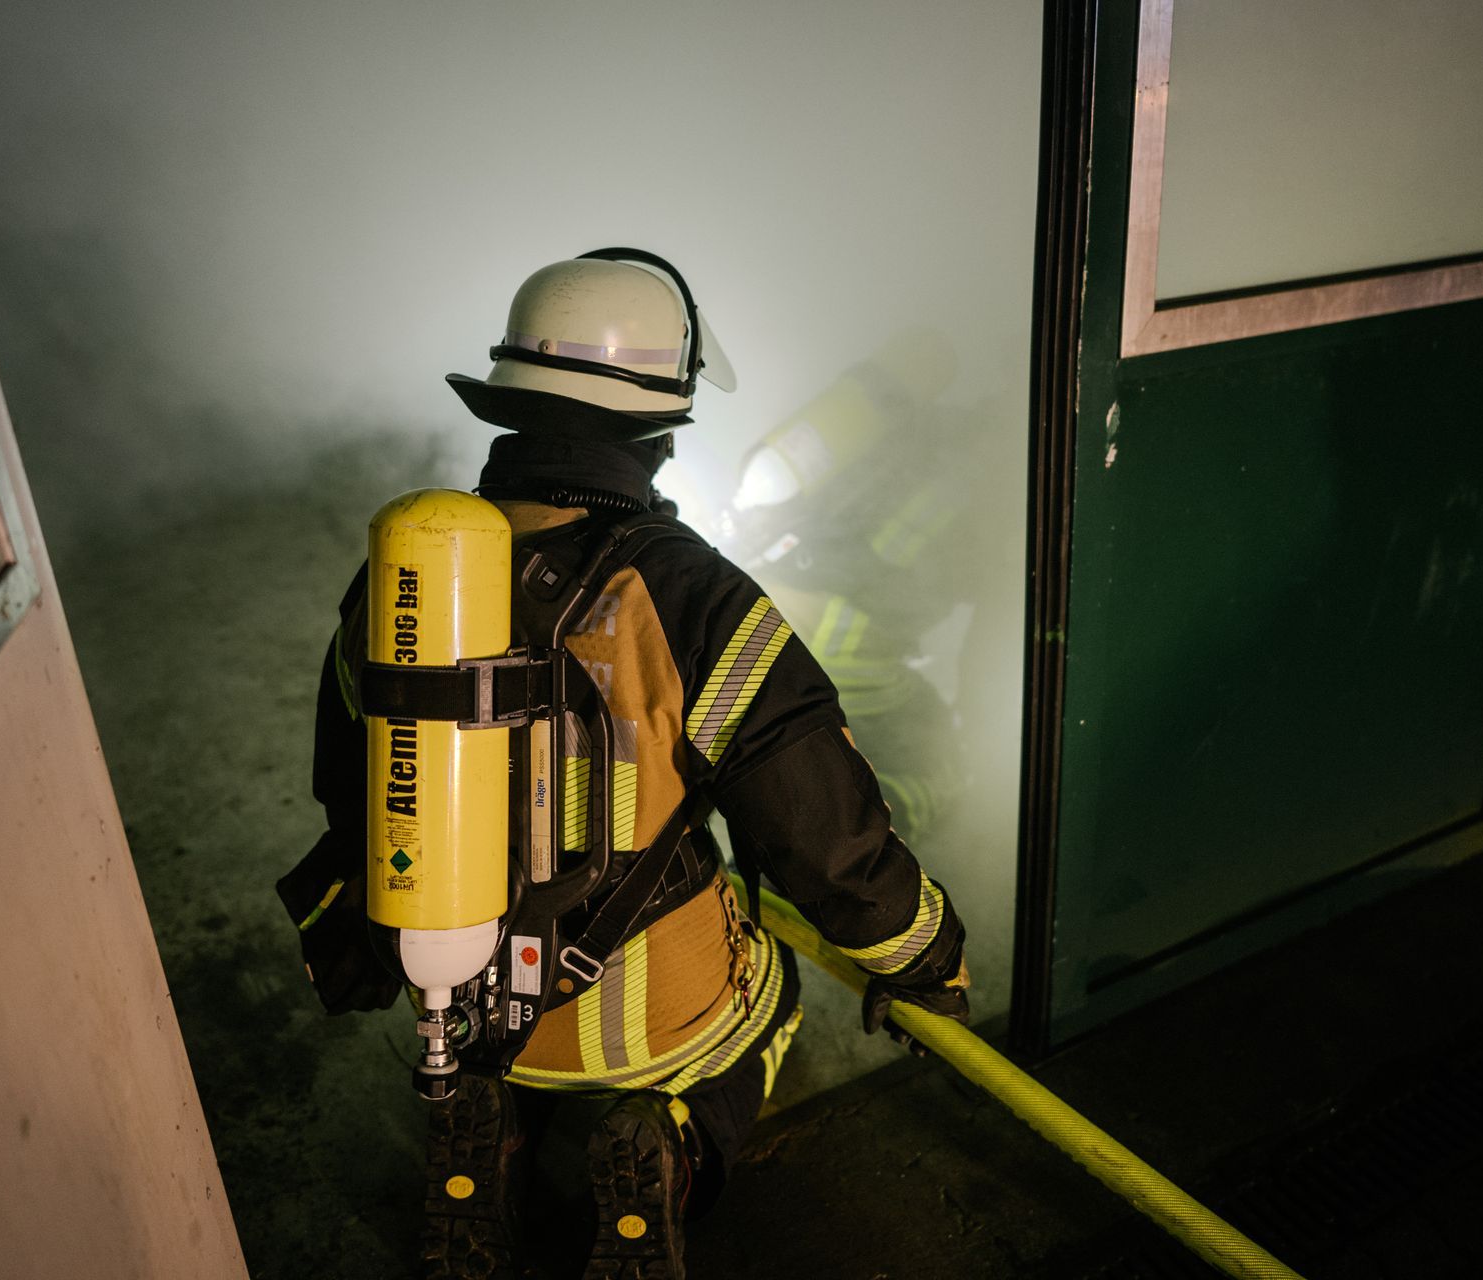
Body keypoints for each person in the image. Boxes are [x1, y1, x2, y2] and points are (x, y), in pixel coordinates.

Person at [280, 248, 971, 1280]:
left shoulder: (404, 575)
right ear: (660, 428)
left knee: (482, 1046)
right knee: (773, 998)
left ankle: (487, 1134)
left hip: (450, 997)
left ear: (511, 406)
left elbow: (352, 791)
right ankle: (674, 1144)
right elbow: (823, 838)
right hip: (644, 1016)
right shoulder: (696, 595)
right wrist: (925, 958)